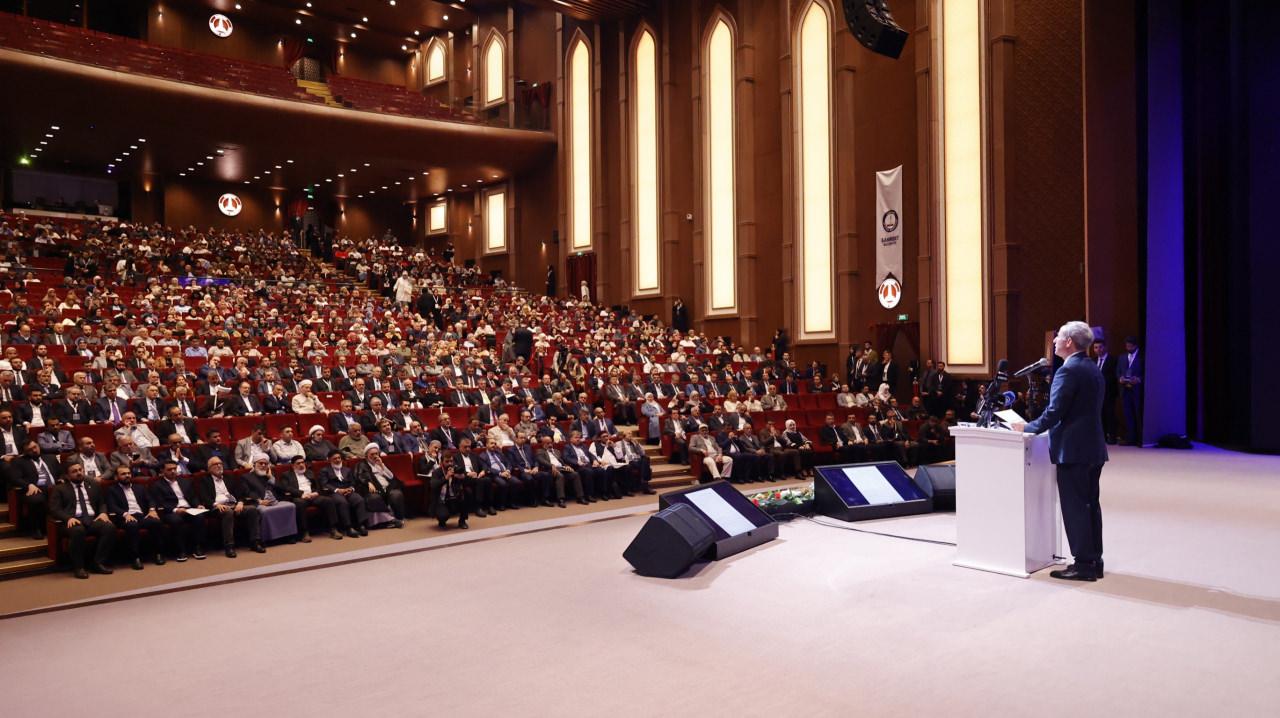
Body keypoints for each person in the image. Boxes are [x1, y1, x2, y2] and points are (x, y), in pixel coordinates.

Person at [1013, 320, 1109, 582]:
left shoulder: (1068, 371)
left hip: (1073, 450)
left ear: (1069, 342)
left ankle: (1083, 565)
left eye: (1057, 338)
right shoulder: (1092, 368)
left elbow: (1055, 412)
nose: (1053, 341)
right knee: (1090, 505)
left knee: (1075, 506)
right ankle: (1094, 560)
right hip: (1093, 447)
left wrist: (1028, 427)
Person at [49, 462, 115, 579]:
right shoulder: (59, 489)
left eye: (80, 470)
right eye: (74, 471)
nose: (79, 473)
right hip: (72, 521)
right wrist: (68, 518)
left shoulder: (93, 485)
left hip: (91, 519)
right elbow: (55, 509)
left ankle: (98, 562)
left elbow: (102, 503)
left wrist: (103, 513)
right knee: (78, 530)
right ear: (68, 476)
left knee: (109, 527)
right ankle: (79, 567)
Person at [199, 456, 262, 557]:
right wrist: (216, 504)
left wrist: (240, 502)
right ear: (209, 468)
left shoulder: (229, 477)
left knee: (252, 510)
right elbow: (204, 496)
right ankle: (229, 546)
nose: (219, 465)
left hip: (233, 504)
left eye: (220, 463)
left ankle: (255, 542)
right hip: (217, 507)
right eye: (215, 464)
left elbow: (240, 493)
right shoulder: (204, 480)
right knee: (228, 512)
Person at [105, 464, 165, 570]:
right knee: (132, 526)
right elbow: (112, 505)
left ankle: (158, 553)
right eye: (123, 474)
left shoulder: (139, 487)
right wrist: (125, 514)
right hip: (124, 517)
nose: (127, 476)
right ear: (116, 477)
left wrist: (152, 510)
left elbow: (150, 500)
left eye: (128, 473)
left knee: (156, 522)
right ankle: (135, 557)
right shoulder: (111, 490)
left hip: (141, 515)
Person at [316, 450, 365, 537]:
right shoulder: (324, 470)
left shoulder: (347, 470)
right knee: (342, 502)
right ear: (329, 460)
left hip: (347, 491)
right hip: (333, 492)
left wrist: (350, 489)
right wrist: (337, 490)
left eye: (339, 458)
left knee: (359, 499)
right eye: (335, 458)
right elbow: (324, 484)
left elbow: (353, 483)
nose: (338, 460)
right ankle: (348, 528)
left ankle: (360, 525)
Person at [1118, 335, 1143, 446]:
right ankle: (1130, 438)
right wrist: (1120, 378)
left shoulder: (1143, 357)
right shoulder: (1122, 357)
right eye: (1127, 346)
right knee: (1128, 414)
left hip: (1138, 391)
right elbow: (1118, 371)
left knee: (1138, 414)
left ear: (1136, 346)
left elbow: (1148, 372)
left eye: (1130, 346)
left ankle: (1140, 438)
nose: (1128, 348)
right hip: (1125, 390)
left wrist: (1139, 379)